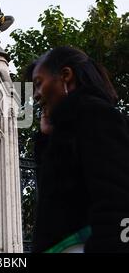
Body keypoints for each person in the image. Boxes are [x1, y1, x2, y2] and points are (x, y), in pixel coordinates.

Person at [27, 46, 129, 253]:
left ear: (66, 76)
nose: (36, 96)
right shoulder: (67, 129)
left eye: (38, 84)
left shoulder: (96, 115)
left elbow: (117, 201)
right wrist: (46, 138)